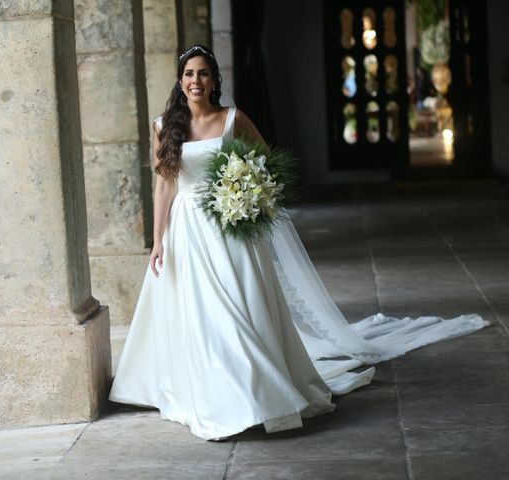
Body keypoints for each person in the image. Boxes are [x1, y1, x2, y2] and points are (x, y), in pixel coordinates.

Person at [108, 44, 490, 441]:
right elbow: (163, 187)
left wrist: (244, 193)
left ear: (214, 80)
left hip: (229, 230)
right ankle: (217, 395)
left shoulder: (233, 119)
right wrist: (158, 241)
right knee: (203, 314)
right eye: (189, 74)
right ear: (179, 80)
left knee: (238, 309)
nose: (195, 81)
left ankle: (252, 394)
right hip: (187, 230)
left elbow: (266, 165)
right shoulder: (163, 126)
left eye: (203, 73)